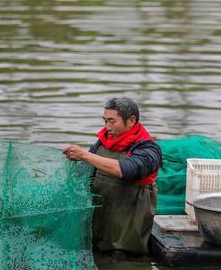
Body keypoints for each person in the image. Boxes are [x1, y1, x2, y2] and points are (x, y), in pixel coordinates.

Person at [63, 97, 162, 255]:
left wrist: (83, 155)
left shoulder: (149, 151)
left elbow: (124, 170)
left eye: (112, 121)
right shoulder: (102, 144)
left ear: (131, 121)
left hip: (126, 241)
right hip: (99, 232)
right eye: (105, 121)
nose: (107, 127)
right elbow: (84, 175)